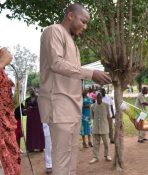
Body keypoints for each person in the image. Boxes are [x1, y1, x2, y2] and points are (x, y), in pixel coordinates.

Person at [38, 3, 112, 174]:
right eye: (83, 21)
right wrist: (91, 73)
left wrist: (95, 76)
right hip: (59, 103)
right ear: (71, 16)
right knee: (62, 158)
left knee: (71, 157)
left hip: (73, 106)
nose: (85, 27)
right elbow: (56, 63)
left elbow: (73, 74)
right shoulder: (53, 31)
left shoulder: (72, 42)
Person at [0, 47, 20, 175]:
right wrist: (1, 63)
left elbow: (9, 103)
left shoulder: (3, 74)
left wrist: (18, 91)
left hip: (6, 126)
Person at [89, 93, 112, 164]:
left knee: (106, 143)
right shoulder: (92, 106)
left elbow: (109, 117)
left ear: (102, 98)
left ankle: (107, 155)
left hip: (104, 127)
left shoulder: (106, 105)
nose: (99, 99)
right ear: (95, 98)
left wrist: (110, 128)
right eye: (97, 98)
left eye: (100, 97)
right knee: (95, 143)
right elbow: (92, 117)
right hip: (96, 127)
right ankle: (95, 157)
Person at [25, 87, 45, 152]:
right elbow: (25, 108)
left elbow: (42, 106)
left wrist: (33, 108)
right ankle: (31, 148)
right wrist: (26, 109)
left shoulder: (38, 98)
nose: (31, 92)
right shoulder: (27, 99)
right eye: (29, 91)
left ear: (34, 90)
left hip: (37, 117)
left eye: (32, 90)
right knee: (30, 132)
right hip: (30, 118)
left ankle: (40, 147)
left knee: (39, 131)